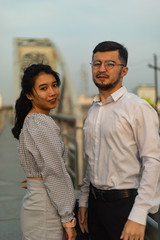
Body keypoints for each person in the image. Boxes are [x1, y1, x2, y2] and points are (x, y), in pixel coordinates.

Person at [78, 41, 160, 240]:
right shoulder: (93, 111)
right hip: (95, 205)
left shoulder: (138, 108)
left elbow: (153, 161)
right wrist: (84, 200)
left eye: (110, 64)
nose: (102, 69)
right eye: (96, 63)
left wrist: (139, 215)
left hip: (126, 206)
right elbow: (92, 161)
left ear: (124, 71)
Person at [12, 64, 77, 240]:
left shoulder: (32, 120)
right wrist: (68, 219)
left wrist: (37, 180)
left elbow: (45, 167)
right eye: (43, 88)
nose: (52, 92)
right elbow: (54, 172)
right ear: (29, 94)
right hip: (46, 211)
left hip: (39, 204)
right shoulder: (40, 123)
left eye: (54, 85)